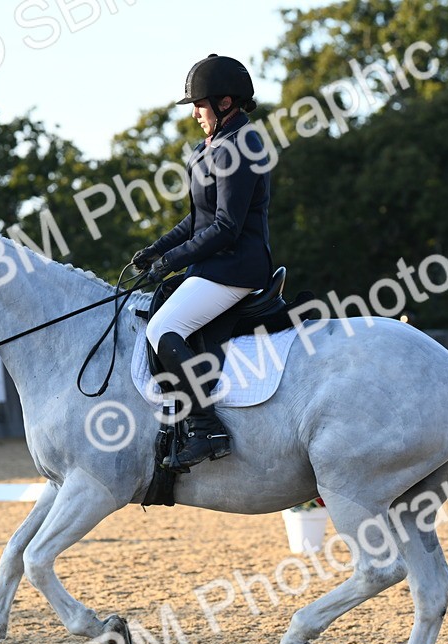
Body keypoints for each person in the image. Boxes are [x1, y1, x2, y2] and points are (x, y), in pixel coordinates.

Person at [131, 54, 273, 471]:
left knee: (163, 327)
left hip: (237, 267)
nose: (195, 113)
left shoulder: (243, 146)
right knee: (152, 312)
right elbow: (197, 220)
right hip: (211, 267)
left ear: (225, 103)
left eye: (199, 105)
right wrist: (157, 250)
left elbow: (227, 227)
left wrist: (172, 262)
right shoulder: (207, 148)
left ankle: (206, 425)